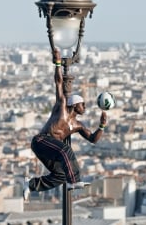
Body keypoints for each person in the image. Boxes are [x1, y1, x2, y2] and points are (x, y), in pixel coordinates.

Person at [23, 49, 107, 201]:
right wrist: (57, 64)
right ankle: (74, 181)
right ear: (74, 104)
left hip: (50, 149)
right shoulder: (61, 107)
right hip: (41, 141)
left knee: (61, 175)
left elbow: (93, 139)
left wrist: (101, 126)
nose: (85, 107)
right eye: (83, 104)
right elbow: (59, 83)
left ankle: (31, 185)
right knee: (65, 150)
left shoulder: (78, 125)